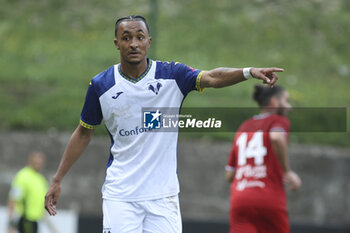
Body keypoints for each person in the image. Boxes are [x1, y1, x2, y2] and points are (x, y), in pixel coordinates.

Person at [45, 15, 284, 233]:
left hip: (163, 197)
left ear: (149, 41)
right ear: (116, 43)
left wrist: (248, 71)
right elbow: (84, 133)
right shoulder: (101, 85)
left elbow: (212, 77)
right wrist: (57, 179)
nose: (134, 44)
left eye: (139, 37)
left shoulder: (173, 75)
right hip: (121, 196)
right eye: (126, 38)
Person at [225, 84, 302, 233]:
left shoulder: (244, 127)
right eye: (286, 101)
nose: (289, 107)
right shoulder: (278, 121)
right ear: (274, 102)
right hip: (269, 199)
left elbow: (229, 174)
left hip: (240, 200)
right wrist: (287, 172)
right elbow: (276, 137)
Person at [8, 151, 56, 233]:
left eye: (40, 162)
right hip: (25, 219)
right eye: (36, 161)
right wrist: (10, 224)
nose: (38, 164)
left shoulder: (41, 180)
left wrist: (51, 227)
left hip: (35, 221)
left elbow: (41, 205)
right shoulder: (22, 176)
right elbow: (13, 199)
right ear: (30, 161)